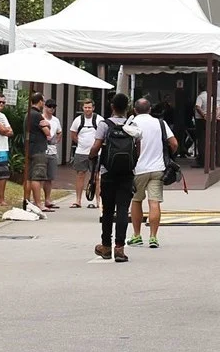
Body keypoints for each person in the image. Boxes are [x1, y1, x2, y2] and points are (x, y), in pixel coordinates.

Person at [89, 94, 138, 262]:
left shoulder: (104, 124)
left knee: (108, 210)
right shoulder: (132, 125)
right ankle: (120, 248)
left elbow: (96, 146)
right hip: (127, 173)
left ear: (112, 106)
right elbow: (138, 149)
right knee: (123, 209)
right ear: (127, 107)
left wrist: (91, 156)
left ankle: (105, 246)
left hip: (108, 172)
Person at [126, 97, 179, 249]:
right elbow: (174, 143)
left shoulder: (131, 123)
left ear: (135, 110)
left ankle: (136, 235)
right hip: (158, 168)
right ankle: (153, 237)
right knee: (154, 202)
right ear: (150, 109)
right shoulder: (160, 123)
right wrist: (168, 154)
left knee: (136, 200)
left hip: (138, 169)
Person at [69, 99, 103, 207]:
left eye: (89, 107)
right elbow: (73, 134)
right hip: (81, 152)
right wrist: (80, 143)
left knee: (97, 177)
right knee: (80, 175)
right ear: (82, 108)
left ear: (93, 108)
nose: (87, 109)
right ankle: (78, 200)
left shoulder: (99, 120)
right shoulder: (78, 120)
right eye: (85, 107)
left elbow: (103, 134)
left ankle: (98, 201)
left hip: (96, 153)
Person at [25, 93, 55, 213]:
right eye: (43, 101)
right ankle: (38, 203)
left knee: (28, 177)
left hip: (29, 148)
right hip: (38, 149)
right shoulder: (38, 116)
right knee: (37, 177)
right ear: (40, 102)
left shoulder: (27, 114)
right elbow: (48, 133)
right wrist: (48, 124)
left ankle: (26, 200)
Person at [44, 98, 62, 201]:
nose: (52, 109)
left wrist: (56, 140)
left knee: (50, 177)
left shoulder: (56, 120)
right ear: (45, 107)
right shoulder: (41, 118)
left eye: (54, 107)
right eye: (50, 106)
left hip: (52, 150)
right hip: (42, 149)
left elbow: (59, 132)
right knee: (40, 176)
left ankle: (47, 199)